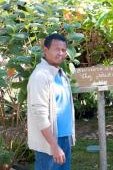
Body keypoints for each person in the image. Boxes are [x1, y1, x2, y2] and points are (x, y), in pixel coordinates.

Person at [27, 33, 75, 170]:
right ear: (45, 50)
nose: (60, 53)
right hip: (49, 142)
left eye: (63, 50)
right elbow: (39, 114)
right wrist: (53, 145)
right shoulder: (40, 76)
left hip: (64, 138)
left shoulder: (59, 73)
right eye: (56, 49)